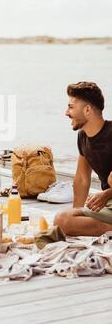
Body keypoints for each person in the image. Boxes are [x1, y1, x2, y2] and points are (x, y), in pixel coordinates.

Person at [54, 82, 112, 236]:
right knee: (64, 220)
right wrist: (77, 212)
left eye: (71, 107)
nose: (66, 112)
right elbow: (81, 179)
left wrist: (107, 193)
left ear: (87, 110)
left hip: (109, 197)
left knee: (62, 221)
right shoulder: (83, 136)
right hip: (109, 202)